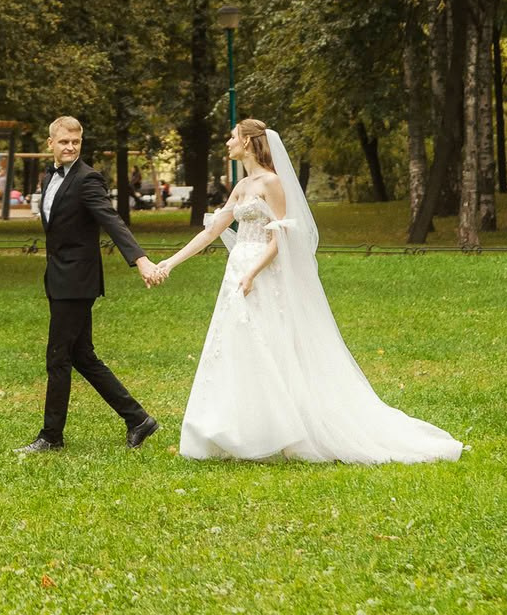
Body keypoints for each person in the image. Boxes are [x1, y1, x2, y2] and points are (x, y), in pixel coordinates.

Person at [147, 118, 464, 466]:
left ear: (249, 143)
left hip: (262, 275)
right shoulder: (241, 186)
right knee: (238, 347)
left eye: (233, 137)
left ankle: (287, 431)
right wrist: (169, 263)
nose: (227, 142)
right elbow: (210, 233)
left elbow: (282, 237)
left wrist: (253, 272)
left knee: (271, 346)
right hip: (236, 274)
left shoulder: (272, 183)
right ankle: (237, 432)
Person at [15, 116, 161, 454]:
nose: (70, 147)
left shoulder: (87, 178)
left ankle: (51, 437)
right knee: (82, 356)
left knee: (58, 357)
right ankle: (138, 419)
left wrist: (140, 260)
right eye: (64, 141)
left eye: (75, 142)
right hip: (60, 277)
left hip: (77, 281)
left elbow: (112, 221)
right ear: (50, 143)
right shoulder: (49, 175)